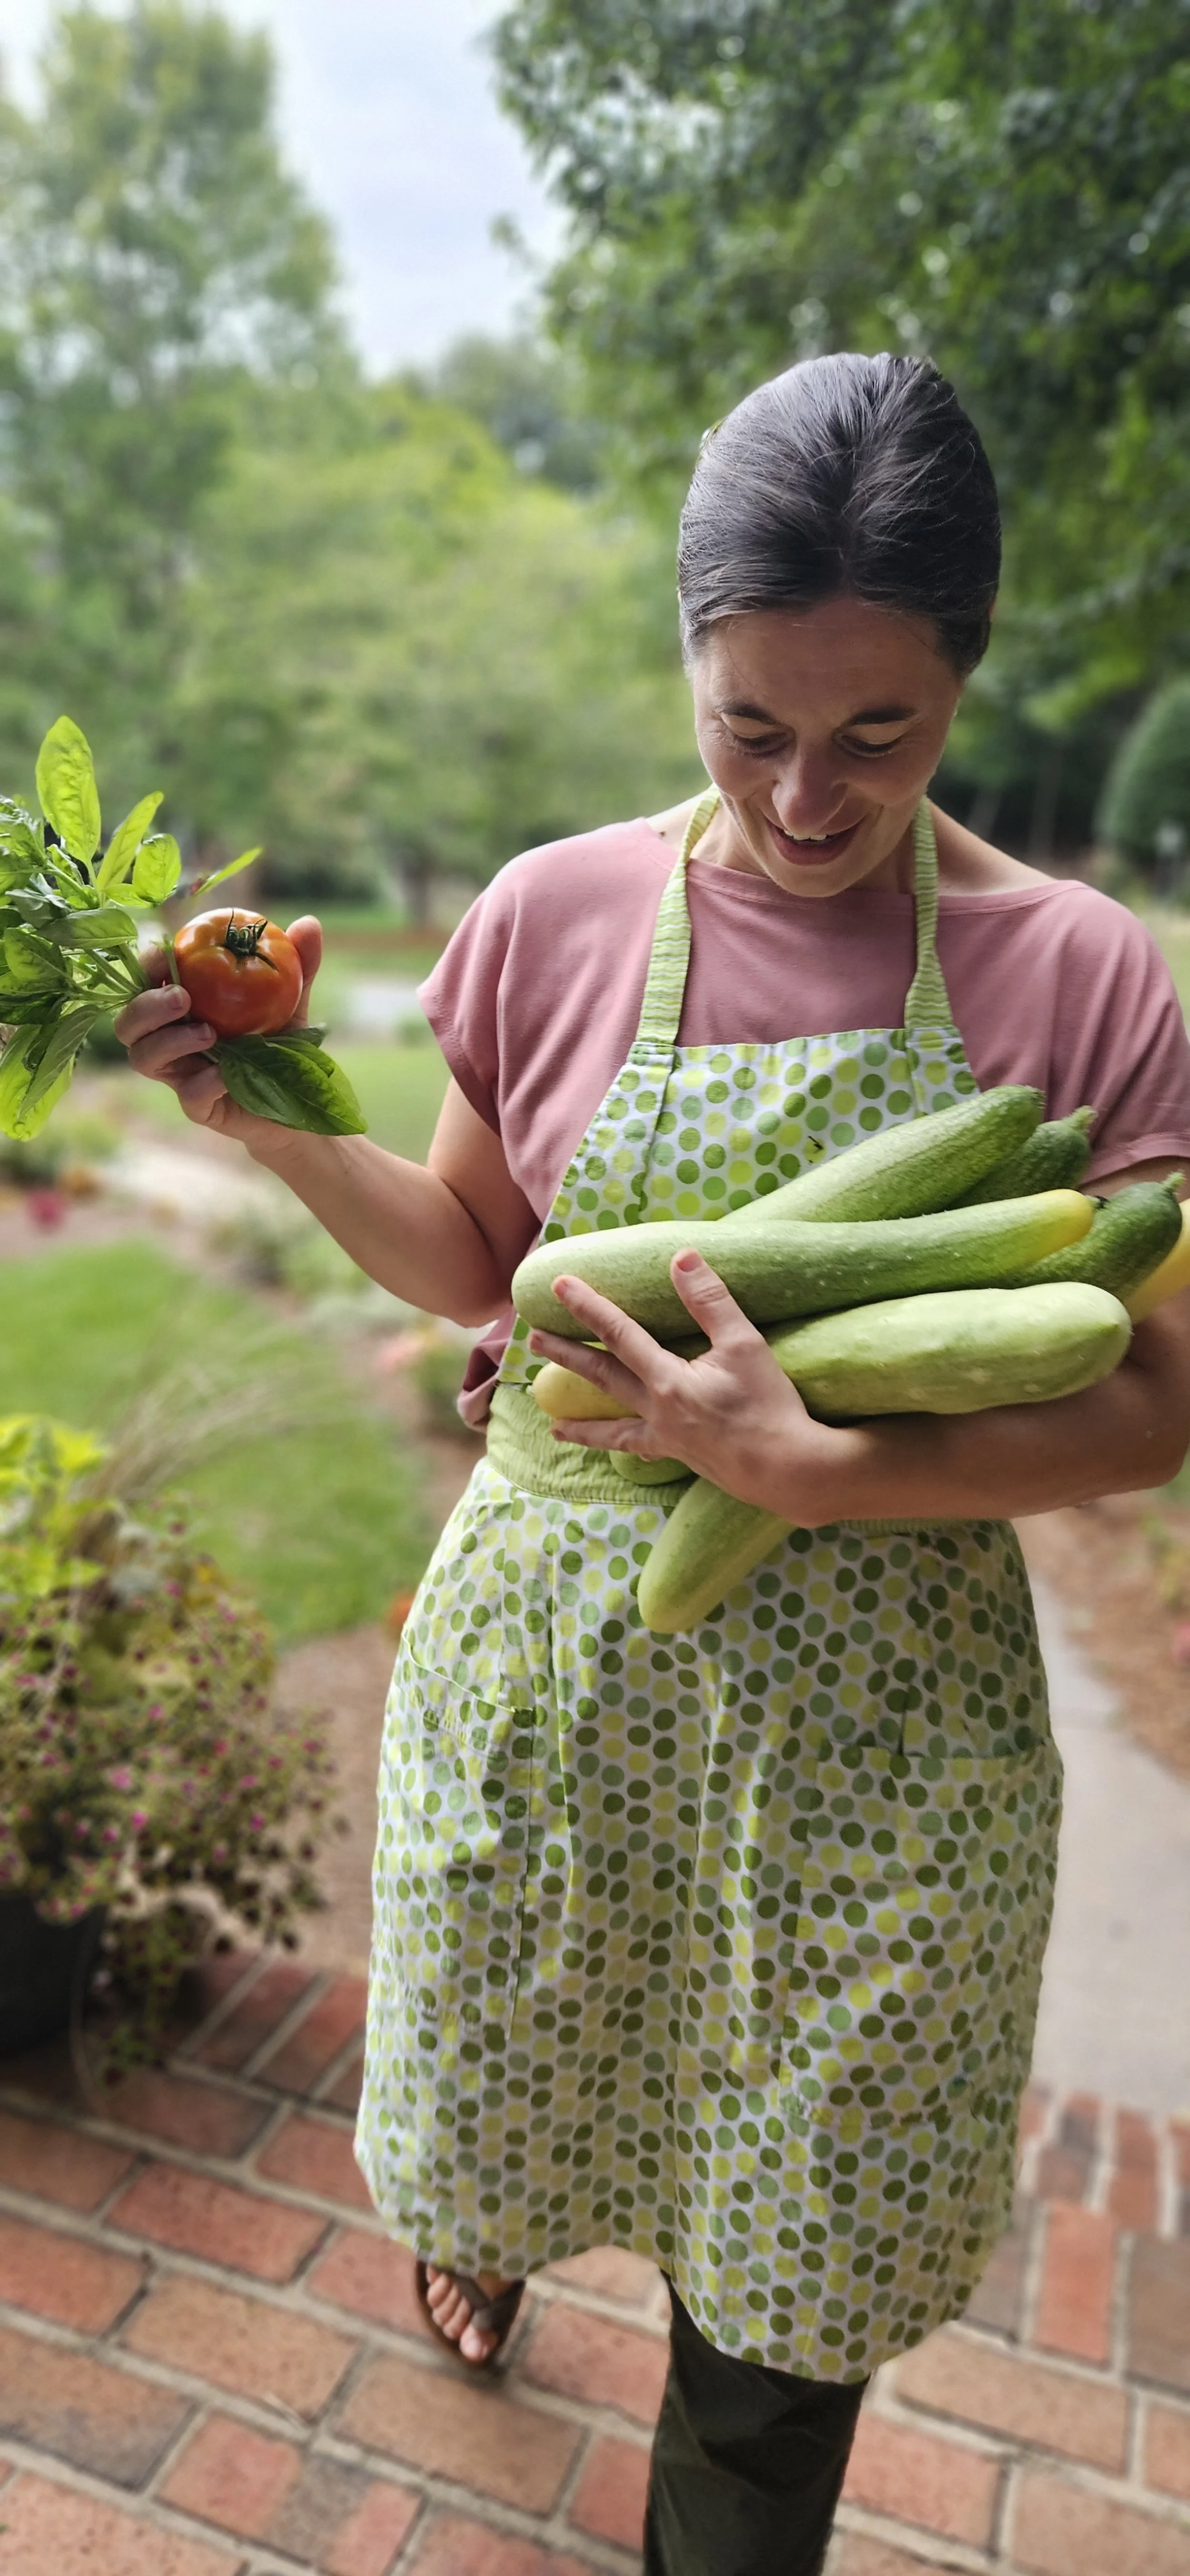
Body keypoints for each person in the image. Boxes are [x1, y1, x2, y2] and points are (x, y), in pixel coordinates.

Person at [117, 353, 1190, 2576]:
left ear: (961, 674)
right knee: (513, 2077)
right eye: (751, 724)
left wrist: (824, 1472)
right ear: (687, 662)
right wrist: (274, 1112)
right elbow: (475, 1257)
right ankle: (501, 2234)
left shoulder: (1079, 977)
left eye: (877, 731)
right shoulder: (551, 909)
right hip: (559, 1667)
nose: (807, 794)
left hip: (891, 1733)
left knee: (794, 2250)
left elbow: (1155, 1386)